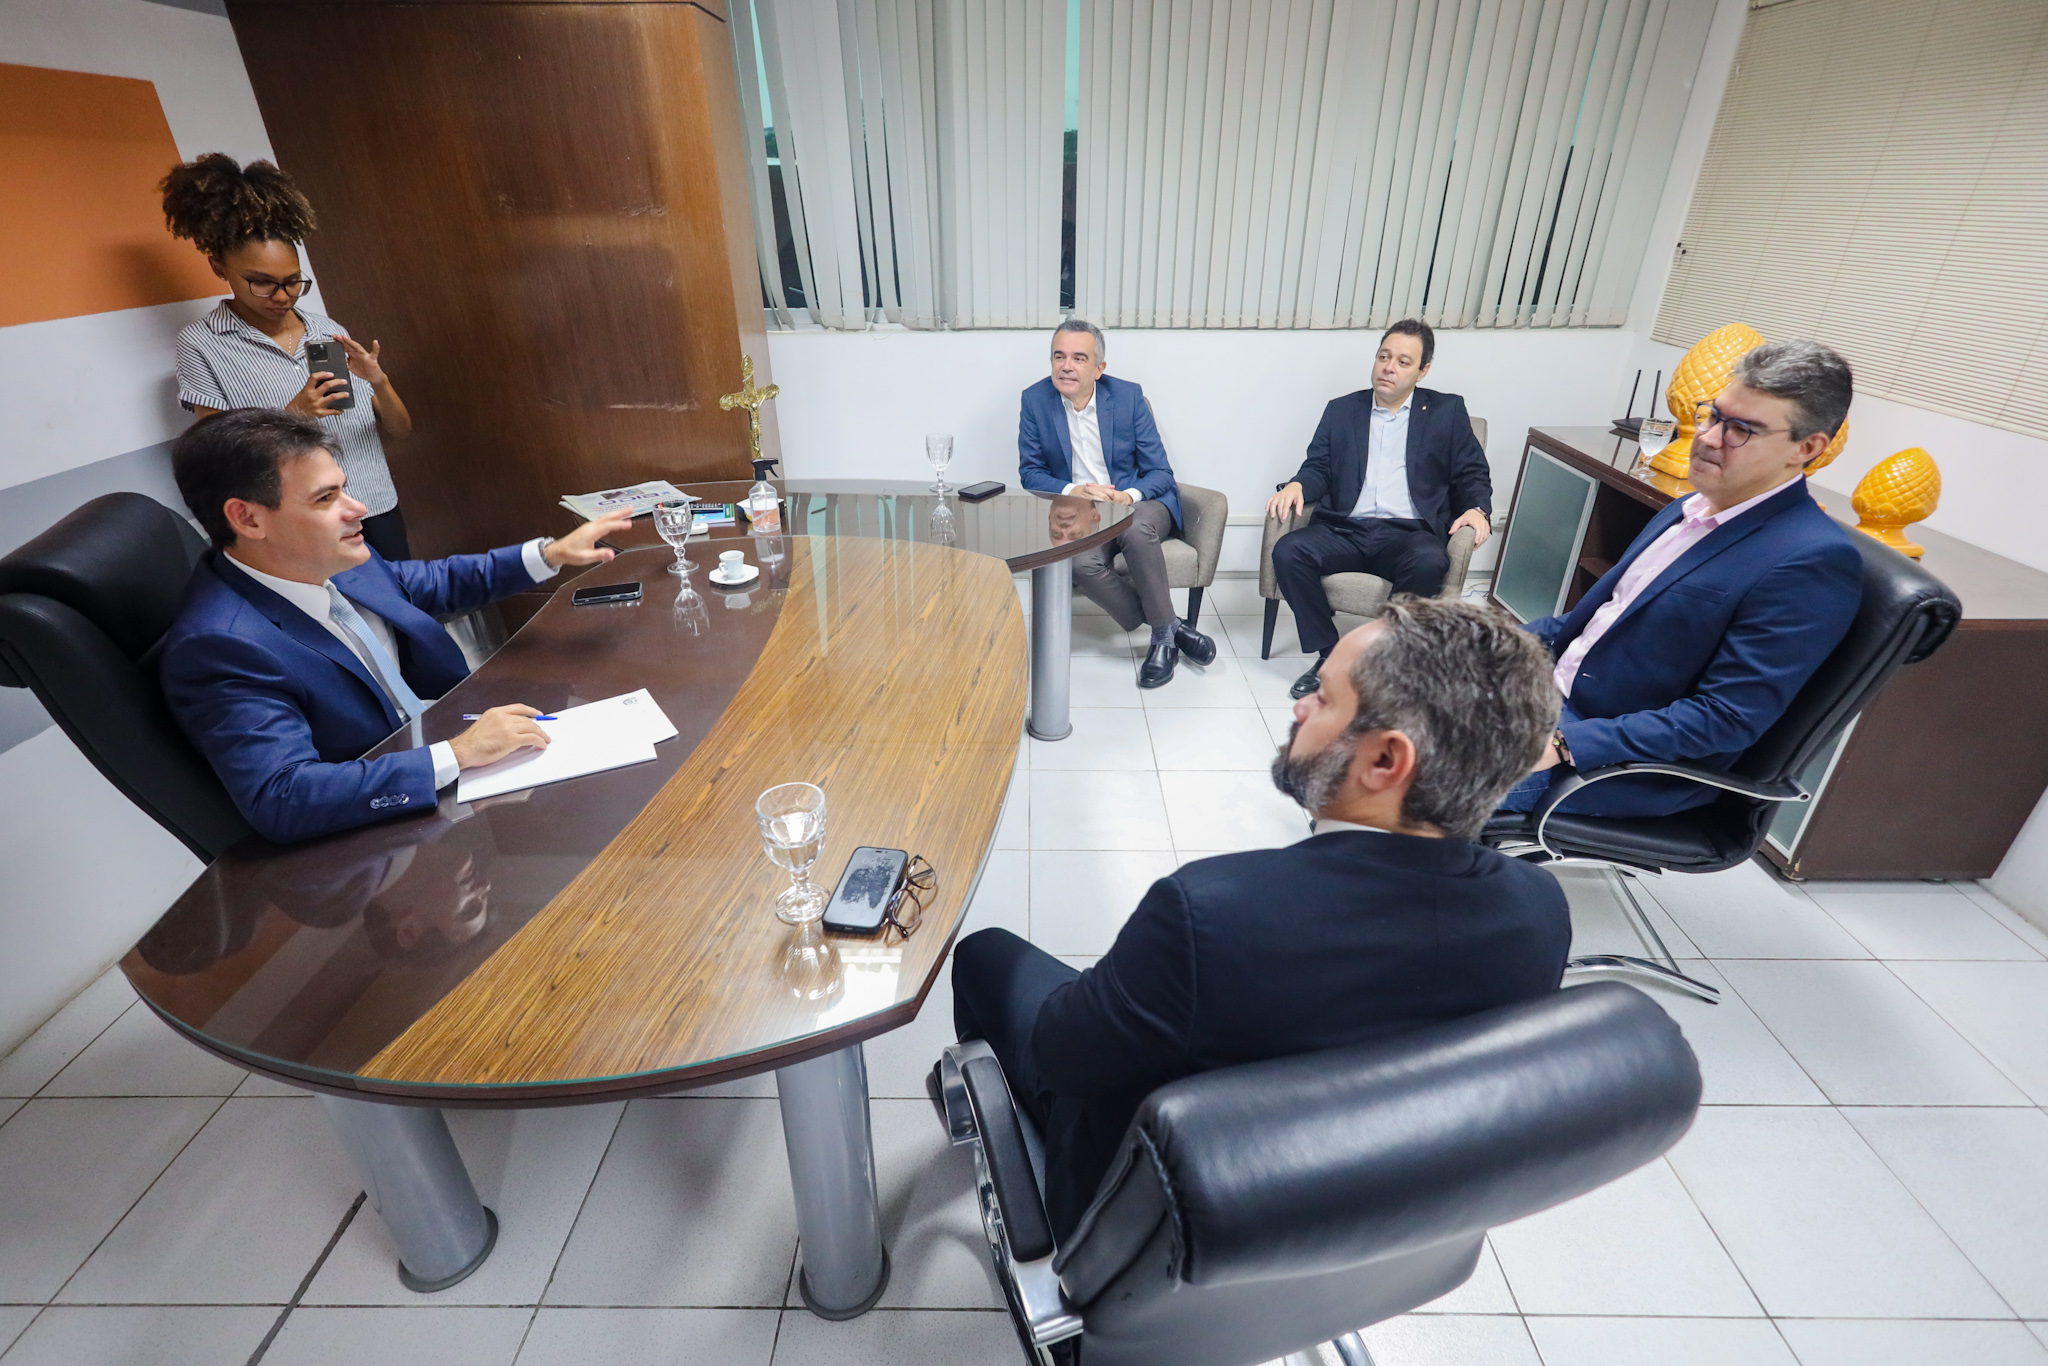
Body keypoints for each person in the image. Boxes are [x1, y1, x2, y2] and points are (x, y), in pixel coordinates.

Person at [945, 597, 1569, 1238]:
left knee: (986, 954)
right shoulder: (1539, 911)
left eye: (1324, 698)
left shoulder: (1211, 915)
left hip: (1158, 1230)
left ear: (1386, 761)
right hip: (1374, 1233)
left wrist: (1127, 987)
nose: (1300, 707)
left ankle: (971, 1123)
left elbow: (1061, 1055)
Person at [160, 408, 632, 845]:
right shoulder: (219, 645)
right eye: (326, 498)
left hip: (444, 744)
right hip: (384, 831)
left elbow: (436, 582)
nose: (357, 508)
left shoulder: (332, 556)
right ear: (248, 518)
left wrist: (550, 554)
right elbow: (282, 797)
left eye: (343, 488)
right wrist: (457, 755)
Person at [1501, 340, 1864, 820]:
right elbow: (1598, 623)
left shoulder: (1811, 560)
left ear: (1807, 448)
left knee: (1408, 777)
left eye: (1741, 430)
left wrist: (1564, 743)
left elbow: (1726, 718)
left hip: (1607, 760)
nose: (1708, 437)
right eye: (1714, 416)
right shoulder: (1688, 508)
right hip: (1545, 697)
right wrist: (1482, 646)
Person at [161, 153, 418, 561]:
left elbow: (400, 429)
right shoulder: (202, 345)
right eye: (261, 283)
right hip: (300, 522)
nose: (282, 297)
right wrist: (295, 415)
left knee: (405, 598)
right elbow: (218, 460)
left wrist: (379, 381)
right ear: (218, 267)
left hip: (375, 502)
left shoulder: (327, 330)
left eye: (293, 281)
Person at [1265, 319, 1494, 700]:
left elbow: (1471, 472)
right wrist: (1298, 484)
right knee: (1288, 551)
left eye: (1404, 362)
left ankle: (1382, 661)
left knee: (1430, 561)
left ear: (1423, 371)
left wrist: (1476, 509)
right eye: (1384, 357)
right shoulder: (1342, 410)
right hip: (1345, 529)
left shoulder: (1446, 411)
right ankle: (1331, 657)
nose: (1389, 367)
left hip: (1409, 533)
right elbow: (1318, 466)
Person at [1018, 319, 1216, 688]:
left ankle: (1162, 640)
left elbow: (1160, 473)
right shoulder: (1035, 400)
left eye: (1079, 358)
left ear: (1099, 368)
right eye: (1059, 356)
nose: (1066, 366)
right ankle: (1172, 625)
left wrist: (1126, 497)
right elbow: (1030, 473)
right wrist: (1075, 490)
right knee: (1079, 563)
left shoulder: (1127, 397)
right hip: (1084, 511)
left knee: (1135, 527)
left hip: (1140, 502)